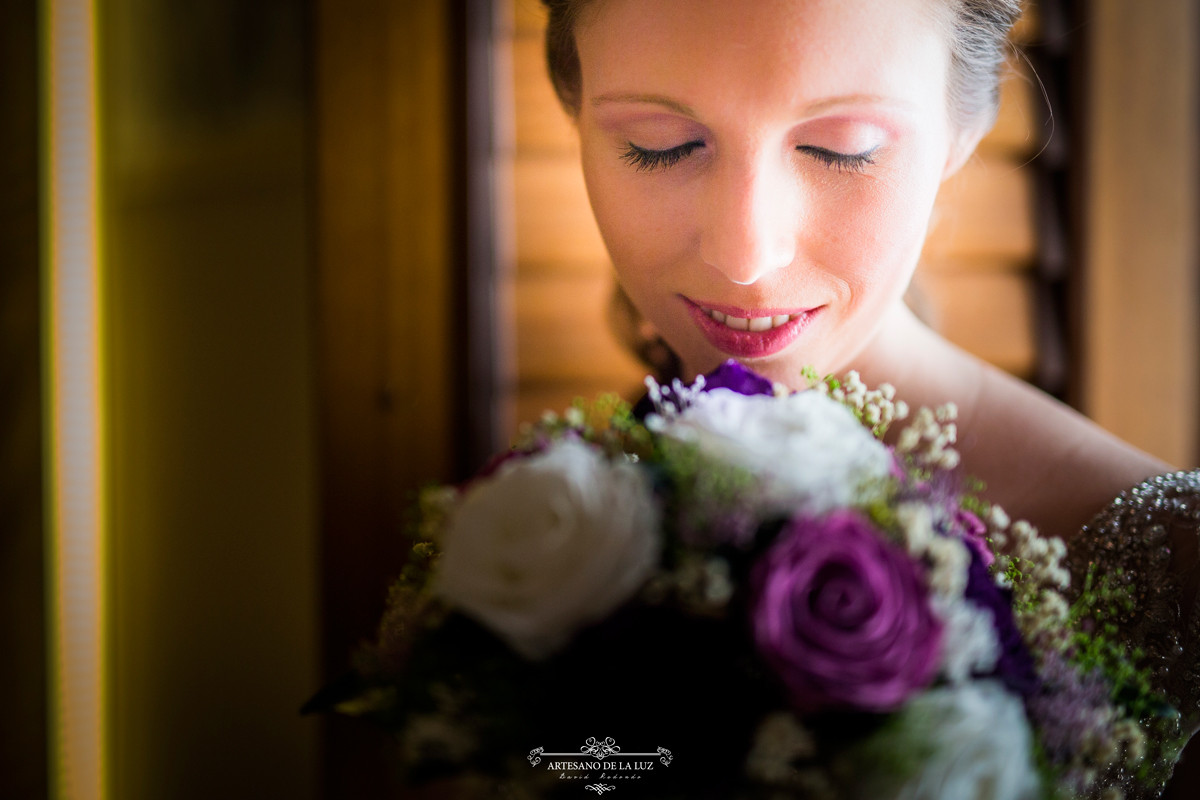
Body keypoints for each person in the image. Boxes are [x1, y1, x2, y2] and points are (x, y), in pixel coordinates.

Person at [540, 0, 1198, 796]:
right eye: (659, 147)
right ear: (576, 112)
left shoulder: (1178, 573)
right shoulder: (534, 532)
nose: (747, 255)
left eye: (839, 149)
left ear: (965, 127)